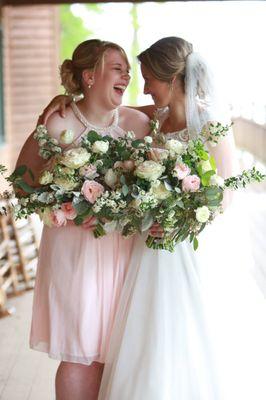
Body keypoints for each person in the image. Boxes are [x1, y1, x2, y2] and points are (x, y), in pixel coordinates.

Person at [41, 37, 266, 400]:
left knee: (184, 334)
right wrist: (63, 99)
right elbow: (111, 104)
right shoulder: (158, 117)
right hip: (147, 250)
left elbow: (226, 193)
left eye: (149, 79)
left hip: (185, 246)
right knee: (143, 337)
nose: (144, 87)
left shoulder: (210, 123)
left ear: (173, 78)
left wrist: (180, 222)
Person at [16, 39, 149, 400]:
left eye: (128, 69)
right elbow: (24, 184)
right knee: (81, 352)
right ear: (90, 76)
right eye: (117, 67)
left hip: (123, 254)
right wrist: (66, 204)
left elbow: (176, 107)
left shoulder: (138, 123)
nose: (127, 74)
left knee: (113, 349)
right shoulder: (58, 121)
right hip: (75, 253)